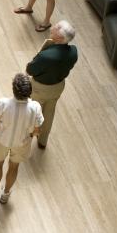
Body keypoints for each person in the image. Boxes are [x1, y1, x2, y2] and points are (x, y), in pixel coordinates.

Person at [0, 73, 44, 205]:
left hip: (1, 140)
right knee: (14, 167)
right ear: (29, 91)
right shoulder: (35, 107)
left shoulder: (3, 103)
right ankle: (6, 194)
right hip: (22, 143)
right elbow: (37, 130)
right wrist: (30, 135)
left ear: (14, 89)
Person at [26, 20, 78, 149]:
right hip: (58, 87)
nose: (53, 27)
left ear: (59, 37)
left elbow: (30, 70)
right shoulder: (74, 51)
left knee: (33, 113)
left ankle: (27, 138)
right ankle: (43, 141)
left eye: (56, 27)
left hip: (40, 89)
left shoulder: (46, 56)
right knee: (49, 114)